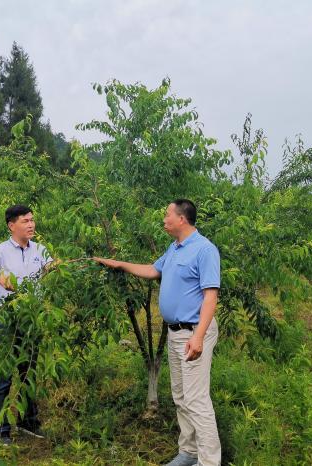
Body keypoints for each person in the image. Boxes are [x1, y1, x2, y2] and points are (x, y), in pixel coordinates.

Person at [94, 199, 221, 466]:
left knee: (197, 398)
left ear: (182, 219)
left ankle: (209, 462)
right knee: (181, 395)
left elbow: (210, 296)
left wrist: (198, 335)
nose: (163, 219)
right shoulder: (174, 248)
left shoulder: (204, 250)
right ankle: (188, 452)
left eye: (167, 215)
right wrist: (119, 264)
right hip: (176, 333)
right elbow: (153, 270)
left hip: (194, 332)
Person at [0, 204, 53, 445]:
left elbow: (52, 268)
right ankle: (1, 429)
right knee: (3, 378)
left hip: (31, 319)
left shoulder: (40, 249)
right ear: (12, 225)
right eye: (25, 221)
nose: (31, 224)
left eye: (32, 220)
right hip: (6, 322)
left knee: (28, 372)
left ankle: (28, 421)